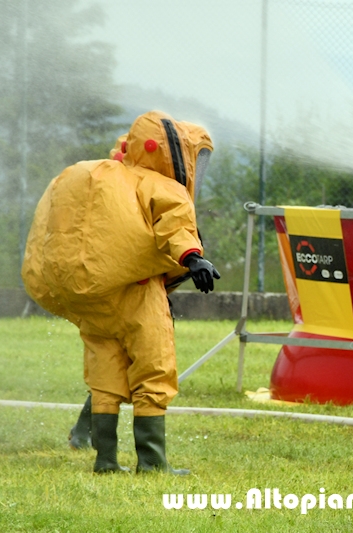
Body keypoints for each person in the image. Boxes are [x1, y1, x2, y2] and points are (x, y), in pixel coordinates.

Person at [22, 110, 219, 474]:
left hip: (92, 301)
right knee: (154, 371)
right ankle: (152, 462)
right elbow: (174, 223)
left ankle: (106, 460)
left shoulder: (88, 174)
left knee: (105, 378)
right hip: (137, 294)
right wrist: (194, 259)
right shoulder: (158, 185)